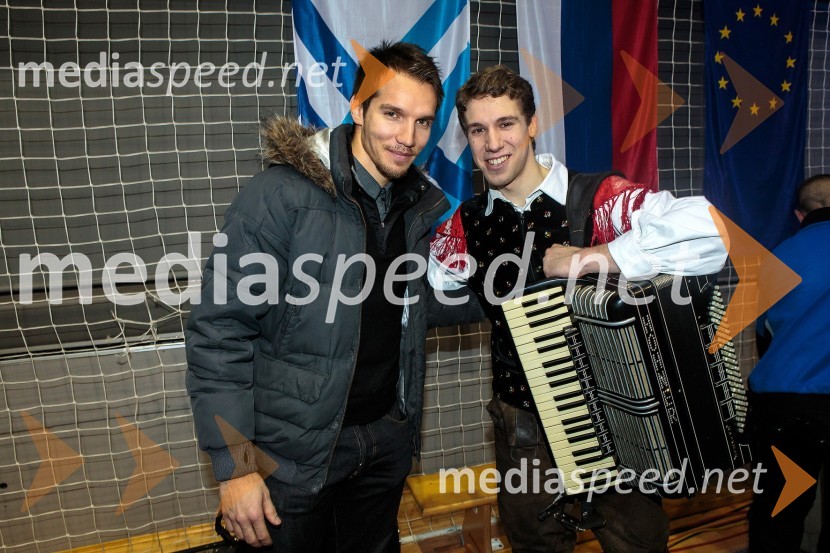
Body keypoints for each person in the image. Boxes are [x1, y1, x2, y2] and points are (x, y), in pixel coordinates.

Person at [185, 41, 480, 553]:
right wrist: (235, 468)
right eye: (392, 113)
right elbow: (219, 333)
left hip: (384, 443)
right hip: (295, 458)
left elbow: (410, 309)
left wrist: (527, 279)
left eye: (423, 122)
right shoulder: (281, 196)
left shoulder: (414, 206)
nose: (407, 137)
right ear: (358, 107)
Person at [429, 65, 728, 553]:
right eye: (477, 130)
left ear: (531, 125)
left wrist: (597, 257)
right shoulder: (467, 223)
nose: (492, 142)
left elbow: (710, 230)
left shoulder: (596, 199)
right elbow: (428, 279)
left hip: (614, 419)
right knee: (535, 543)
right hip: (521, 422)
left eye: (505, 124)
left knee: (636, 542)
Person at [746, 175, 830, 553]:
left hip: (781, 401)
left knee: (778, 504)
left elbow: (764, 336)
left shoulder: (775, 258)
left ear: (800, 214)